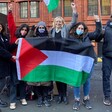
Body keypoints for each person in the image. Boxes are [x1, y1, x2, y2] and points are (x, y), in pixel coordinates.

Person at [68, 15, 102, 110]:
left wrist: (98, 21)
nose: (80, 30)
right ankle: (77, 100)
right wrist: (88, 44)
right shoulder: (71, 38)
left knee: (87, 81)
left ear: (84, 30)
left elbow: (97, 33)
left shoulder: (88, 36)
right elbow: (74, 48)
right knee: (77, 80)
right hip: (76, 63)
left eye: (82, 28)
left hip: (88, 62)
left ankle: (86, 98)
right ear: (76, 29)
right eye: (79, 28)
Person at [49, 2, 78, 105]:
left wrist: (74, 10)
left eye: (60, 21)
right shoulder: (51, 31)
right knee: (57, 77)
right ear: (54, 22)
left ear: (62, 22)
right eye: (56, 21)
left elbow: (74, 22)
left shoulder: (65, 28)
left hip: (64, 57)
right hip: (55, 58)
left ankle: (64, 95)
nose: (58, 23)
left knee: (63, 76)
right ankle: (60, 96)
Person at [7, 4, 29, 110]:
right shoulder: (14, 35)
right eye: (22, 29)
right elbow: (11, 24)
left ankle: (22, 97)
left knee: (22, 81)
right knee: (14, 81)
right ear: (20, 29)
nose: (24, 31)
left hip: (22, 63)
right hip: (13, 62)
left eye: (26, 30)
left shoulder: (27, 40)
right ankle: (12, 101)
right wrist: (10, 12)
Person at [27, 21, 52, 107]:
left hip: (46, 62)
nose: (41, 29)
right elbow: (27, 39)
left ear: (45, 29)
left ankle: (45, 97)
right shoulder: (33, 37)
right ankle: (40, 98)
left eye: (43, 28)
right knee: (36, 81)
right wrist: (32, 29)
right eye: (40, 28)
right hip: (36, 62)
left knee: (46, 81)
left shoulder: (48, 37)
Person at [0, 23, 17, 110]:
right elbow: (1, 50)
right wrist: (11, 56)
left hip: (4, 64)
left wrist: (15, 43)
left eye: (0, 26)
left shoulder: (3, 37)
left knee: (2, 81)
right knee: (1, 82)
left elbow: (8, 47)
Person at [97, 15, 112, 106]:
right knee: (106, 77)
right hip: (107, 57)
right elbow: (97, 39)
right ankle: (107, 96)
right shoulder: (105, 29)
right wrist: (101, 33)